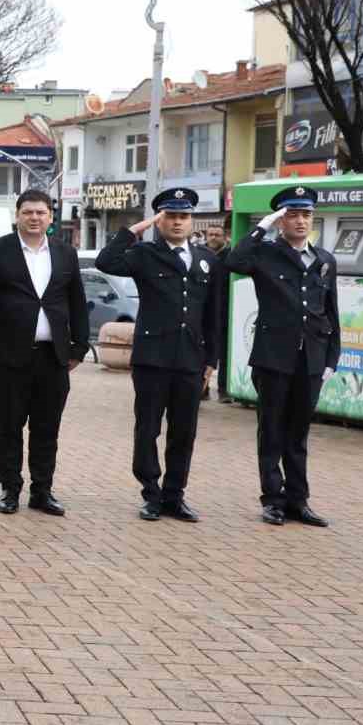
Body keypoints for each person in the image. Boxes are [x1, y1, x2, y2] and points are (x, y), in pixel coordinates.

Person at [95, 188, 222, 522]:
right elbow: (105, 261)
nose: (177, 222)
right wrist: (136, 229)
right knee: (148, 428)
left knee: (184, 432)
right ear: (160, 220)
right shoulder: (145, 254)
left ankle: (175, 496)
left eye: (183, 216)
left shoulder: (207, 259)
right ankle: (151, 494)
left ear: (192, 220)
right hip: (152, 358)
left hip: (191, 360)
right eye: (170, 216)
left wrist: (212, 360)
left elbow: (214, 314)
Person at [222, 186, 338, 527]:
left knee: (298, 434)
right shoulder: (265, 253)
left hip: (311, 358)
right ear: (281, 220)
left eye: (306, 215)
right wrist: (263, 226)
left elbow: (330, 311)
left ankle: (298, 500)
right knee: (272, 430)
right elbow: (233, 262)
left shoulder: (324, 260)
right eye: (292, 215)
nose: (301, 221)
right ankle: (273, 499)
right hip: (273, 357)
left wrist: (332, 358)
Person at [0, 190, 89, 516]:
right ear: (18, 215)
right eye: (28, 212)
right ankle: (10, 489)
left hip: (53, 357)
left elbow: (77, 303)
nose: (34, 218)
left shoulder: (65, 253)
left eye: (41, 212)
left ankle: (42, 490)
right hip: (8, 358)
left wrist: (79, 347)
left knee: (47, 427)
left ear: (50, 217)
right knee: (9, 425)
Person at [203, 223, 234, 404]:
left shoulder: (230, 256)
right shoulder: (200, 254)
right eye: (211, 234)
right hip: (204, 311)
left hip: (225, 311)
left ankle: (223, 390)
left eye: (217, 235)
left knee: (225, 352)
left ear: (225, 237)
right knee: (202, 351)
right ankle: (203, 389)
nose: (213, 237)